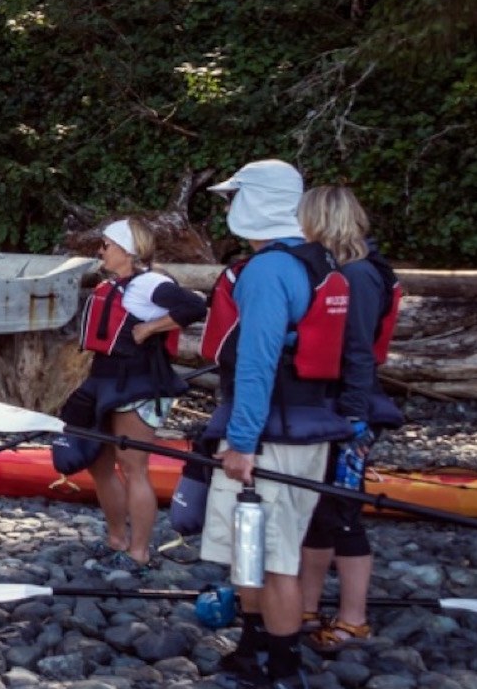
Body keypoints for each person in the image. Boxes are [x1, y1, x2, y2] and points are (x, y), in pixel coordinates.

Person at [198, 159, 354, 688]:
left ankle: (283, 672)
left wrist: (241, 442)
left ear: (255, 202)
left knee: (276, 559)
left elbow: (257, 363)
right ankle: (252, 648)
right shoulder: (320, 263)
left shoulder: (268, 270)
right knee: (254, 549)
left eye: (233, 199)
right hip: (307, 431)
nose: (228, 210)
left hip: (271, 439)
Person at [60, 218, 206, 571]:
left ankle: (139, 551)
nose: (101, 251)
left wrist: (152, 328)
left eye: (106, 245)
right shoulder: (116, 284)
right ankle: (116, 539)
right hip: (105, 380)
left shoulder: (150, 283)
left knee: (133, 467)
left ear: (127, 250)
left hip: (139, 384)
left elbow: (195, 306)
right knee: (99, 463)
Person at [295, 185, 404, 653]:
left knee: (342, 512)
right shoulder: (343, 272)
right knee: (319, 508)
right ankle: (305, 603)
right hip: (332, 403)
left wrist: (354, 415)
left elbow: (359, 351)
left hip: (349, 407)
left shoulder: (358, 277)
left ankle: (354, 618)